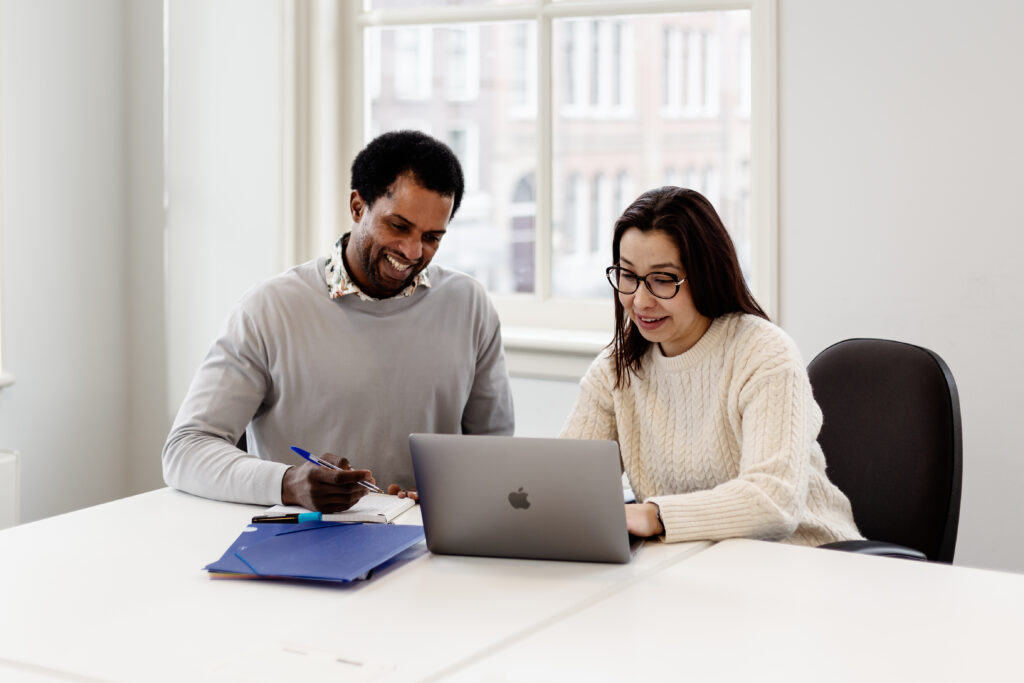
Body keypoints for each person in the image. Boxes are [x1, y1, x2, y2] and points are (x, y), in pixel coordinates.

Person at [163, 130, 514, 512]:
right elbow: (186, 448)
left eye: (431, 237)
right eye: (398, 226)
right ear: (358, 206)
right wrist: (287, 483)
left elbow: (494, 452)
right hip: (304, 546)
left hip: (428, 546)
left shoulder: (470, 305)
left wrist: (451, 492)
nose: (412, 252)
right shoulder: (268, 309)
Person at [560, 186, 862, 546]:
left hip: (809, 560)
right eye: (627, 276)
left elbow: (772, 501)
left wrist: (656, 515)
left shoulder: (763, 353)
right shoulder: (615, 370)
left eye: (663, 279)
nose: (640, 300)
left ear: (705, 275)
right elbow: (567, 486)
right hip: (699, 568)